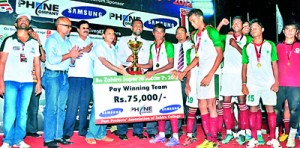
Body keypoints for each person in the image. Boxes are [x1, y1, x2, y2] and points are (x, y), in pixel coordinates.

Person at [174, 8, 223, 148]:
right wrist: (184, 71)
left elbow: (220, 55)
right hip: (201, 73)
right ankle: (208, 138)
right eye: (190, 21)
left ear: (201, 18)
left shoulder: (211, 32)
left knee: (211, 105)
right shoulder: (196, 36)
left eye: (194, 20)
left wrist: (210, 74)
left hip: (212, 73)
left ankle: (214, 140)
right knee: (201, 106)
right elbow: (197, 58)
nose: (192, 23)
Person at [0, 13, 42, 148]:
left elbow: (37, 64)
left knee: (23, 112)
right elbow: (2, 62)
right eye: (21, 19)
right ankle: (7, 140)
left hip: (28, 82)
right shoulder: (8, 40)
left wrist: (39, 82)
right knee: (10, 111)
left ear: (29, 24)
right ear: (16, 24)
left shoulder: (34, 43)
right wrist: (0, 81)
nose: (23, 21)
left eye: (26, 20)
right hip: (10, 80)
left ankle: (19, 139)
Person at [42, 16, 81, 148]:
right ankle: (48, 139)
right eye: (67, 26)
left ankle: (58, 136)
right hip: (52, 76)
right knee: (52, 108)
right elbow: (52, 60)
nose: (70, 28)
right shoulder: (52, 40)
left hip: (64, 76)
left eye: (70, 26)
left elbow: (71, 63)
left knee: (61, 108)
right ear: (59, 25)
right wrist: (70, 55)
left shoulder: (68, 42)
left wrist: (74, 56)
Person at [241, 18, 280, 148]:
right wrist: (244, 84)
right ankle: (253, 138)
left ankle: (274, 139)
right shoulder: (247, 47)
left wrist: (276, 82)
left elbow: (274, 64)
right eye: (251, 29)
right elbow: (244, 67)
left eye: (256, 28)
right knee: (253, 109)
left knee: (270, 110)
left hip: (268, 83)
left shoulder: (270, 45)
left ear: (262, 29)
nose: (253, 30)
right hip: (252, 84)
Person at [85, 27, 128, 144]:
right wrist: (121, 71)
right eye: (109, 33)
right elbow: (104, 62)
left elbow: (118, 63)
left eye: (113, 34)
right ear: (103, 35)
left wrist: (126, 74)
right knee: (98, 108)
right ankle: (91, 134)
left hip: (111, 82)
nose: (111, 36)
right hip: (101, 82)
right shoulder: (99, 46)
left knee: (106, 109)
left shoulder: (113, 48)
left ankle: (101, 134)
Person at [138, 23, 177, 146]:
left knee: (171, 109)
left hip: (169, 80)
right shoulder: (152, 47)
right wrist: (137, 65)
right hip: (158, 81)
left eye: (161, 32)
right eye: (157, 31)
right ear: (153, 33)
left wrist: (154, 72)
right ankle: (161, 135)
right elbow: (150, 64)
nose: (159, 34)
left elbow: (171, 64)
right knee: (160, 108)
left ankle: (175, 137)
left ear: (164, 33)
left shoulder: (169, 45)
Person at [218, 16, 252, 145]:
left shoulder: (248, 39)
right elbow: (212, 35)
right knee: (226, 103)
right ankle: (229, 132)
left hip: (241, 76)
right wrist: (221, 23)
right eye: (234, 23)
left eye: (239, 22)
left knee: (242, 104)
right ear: (232, 26)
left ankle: (242, 132)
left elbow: (249, 56)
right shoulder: (227, 37)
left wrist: (236, 46)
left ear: (242, 25)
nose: (236, 24)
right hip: (227, 75)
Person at [117, 19, 150, 140]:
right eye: (136, 25)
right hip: (126, 74)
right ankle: (122, 131)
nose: (138, 27)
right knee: (124, 102)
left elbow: (148, 60)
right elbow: (118, 57)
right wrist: (128, 58)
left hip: (140, 75)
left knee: (140, 102)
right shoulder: (124, 40)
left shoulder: (146, 43)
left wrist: (142, 68)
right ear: (131, 28)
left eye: (140, 26)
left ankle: (138, 130)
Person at [63, 20, 94, 142]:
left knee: (85, 105)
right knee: (72, 105)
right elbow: (70, 59)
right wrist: (83, 51)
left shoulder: (93, 43)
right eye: (83, 28)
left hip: (88, 76)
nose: (86, 30)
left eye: (87, 28)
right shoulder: (72, 41)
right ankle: (67, 132)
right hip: (75, 76)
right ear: (78, 30)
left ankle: (83, 130)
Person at [170, 26, 198, 146]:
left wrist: (185, 73)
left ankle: (193, 132)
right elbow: (170, 63)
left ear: (186, 34)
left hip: (189, 78)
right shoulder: (173, 47)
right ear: (176, 36)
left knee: (190, 106)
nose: (180, 35)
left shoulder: (193, 46)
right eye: (178, 33)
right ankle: (178, 129)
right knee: (178, 105)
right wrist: (174, 70)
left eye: (182, 32)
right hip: (176, 79)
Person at [275, 21, 300, 148]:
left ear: (296, 32)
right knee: (276, 110)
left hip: (296, 85)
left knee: (295, 111)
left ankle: (291, 136)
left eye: (293, 29)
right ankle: (275, 135)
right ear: (283, 31)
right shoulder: (277, 46)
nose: (290, 31)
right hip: (280, 84)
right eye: (287, 29)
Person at [26, 27, 46, 138]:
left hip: (35, 80)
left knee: (34, 107)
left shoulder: (37, 45)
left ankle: (32, 130)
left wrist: (38, 42)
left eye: (32, 32)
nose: (30, 34)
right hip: (23, 80)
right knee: (22, 107)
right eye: (28, 33)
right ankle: (19, 129)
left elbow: (43, 58)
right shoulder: (22, 45)